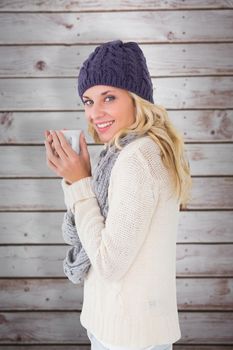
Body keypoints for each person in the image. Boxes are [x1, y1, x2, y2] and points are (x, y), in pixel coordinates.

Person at [44, 39, 192, 350]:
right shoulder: (127, 152)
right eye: (87, 101)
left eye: (108, 97)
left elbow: (109, 264)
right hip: (122, 328)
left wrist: (80, 183)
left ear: (137, 98)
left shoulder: (137, 157)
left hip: (128, 336)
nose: (95, 113)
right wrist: (76, 180)